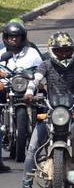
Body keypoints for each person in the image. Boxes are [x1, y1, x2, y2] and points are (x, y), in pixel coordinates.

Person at [16, 32, 74, 188]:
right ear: (53, 51)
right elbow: (34, 80)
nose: (64, 54)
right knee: (32, 148)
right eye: (60, 51)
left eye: (67, 50)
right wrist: (30, 93)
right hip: (51, 111)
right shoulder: (45, 65)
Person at [0, 21, 43, 171]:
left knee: (44, 106)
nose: (14, 40)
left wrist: (38, 79)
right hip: (6, 87)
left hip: (27, 87)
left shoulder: (32, 53)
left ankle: (43, 142)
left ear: (22, 37)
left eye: (17, 37)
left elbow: (42, 68)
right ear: (5, 38)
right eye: (11, 37)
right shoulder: (1, 54)